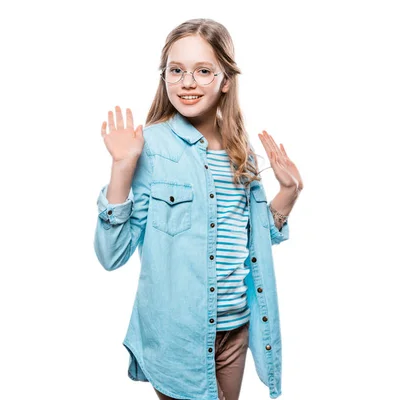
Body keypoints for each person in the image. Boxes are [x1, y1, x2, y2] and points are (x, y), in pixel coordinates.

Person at [94, 18, 303, 400]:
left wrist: (288, 193)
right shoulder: (151, 148)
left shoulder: (242, 153)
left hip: (236, 330)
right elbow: (112, 255)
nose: (187, 82)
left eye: (203, 71)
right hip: (179, 340)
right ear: (165, 78)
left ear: (226, 79)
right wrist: (121, 168)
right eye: (176, 71)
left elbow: (249, 242)